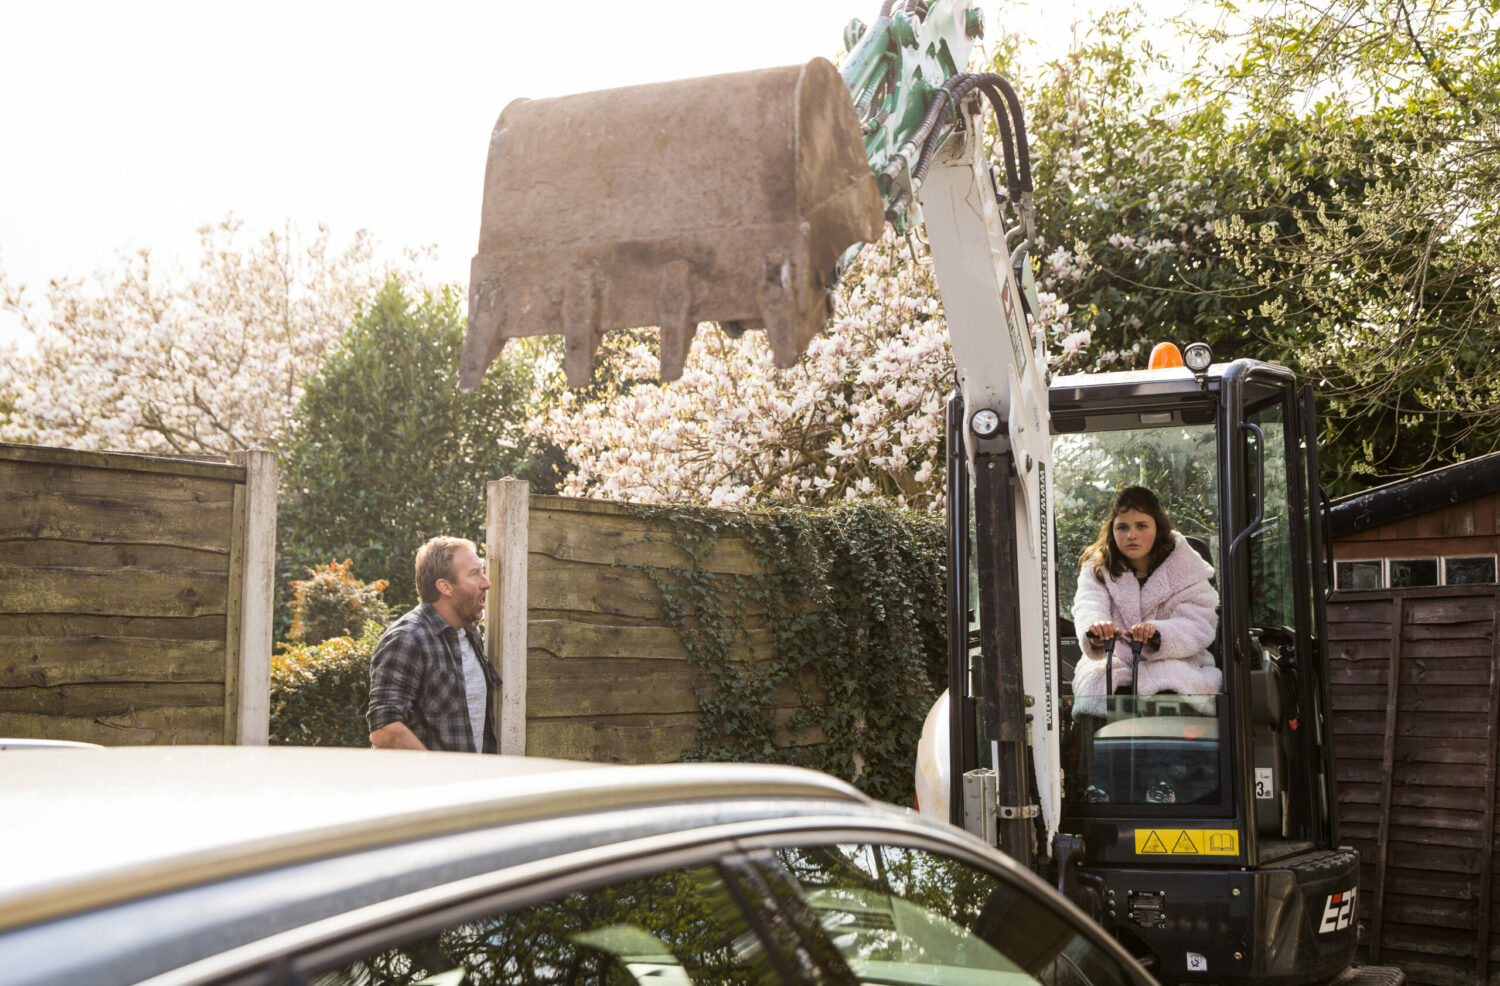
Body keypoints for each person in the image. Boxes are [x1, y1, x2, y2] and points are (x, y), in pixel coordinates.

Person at [1070, 486, 1219, 718]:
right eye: (1123, 527)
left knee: (1170, 683)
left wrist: (1159, 634)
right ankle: (1103, 740)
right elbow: (1088, 605)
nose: (1131, 535)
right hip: (1116, 656)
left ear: (1157, 527)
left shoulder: (1187, 569)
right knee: (1098, 682)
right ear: (1112, 530)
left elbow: (1199, 623)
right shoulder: (1097, 570)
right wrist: (1096, 629)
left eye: (1141, 526)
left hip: (1175, 659)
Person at [368, 536, 501, 752]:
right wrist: (435, 769)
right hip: (427, 775)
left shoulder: (469, 632)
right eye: (474, 573)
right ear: (445, 586)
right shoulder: (407, 638)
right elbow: (385, 729)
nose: (486, 583)